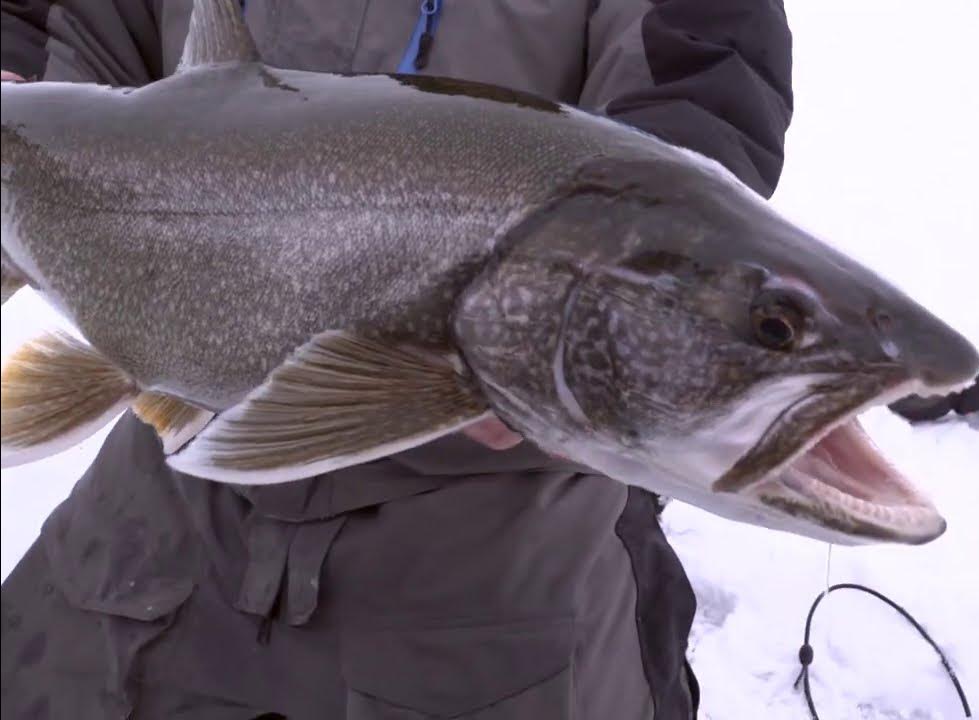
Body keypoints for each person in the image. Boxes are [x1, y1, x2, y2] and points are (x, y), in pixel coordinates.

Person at [0, 1, 793, 718]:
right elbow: (61, 27)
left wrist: (612, 298)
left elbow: (698, 86)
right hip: (167, 494)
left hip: (499, 540)